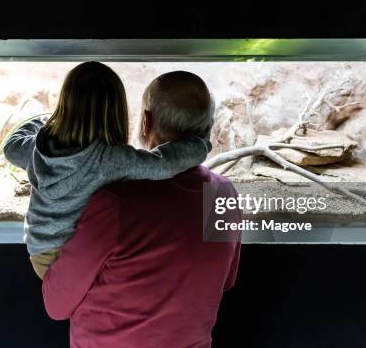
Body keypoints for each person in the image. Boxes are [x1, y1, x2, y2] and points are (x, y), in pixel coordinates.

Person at [43, 71, 241, 348]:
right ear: (209, 127)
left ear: (145, 122)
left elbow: (56, 304)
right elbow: (225, 281)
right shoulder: (222, 194)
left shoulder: (114, 203)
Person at [3, 62, 211, 279]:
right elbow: (163, 164)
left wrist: (44, 120)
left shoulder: (37, 149)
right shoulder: (108, 159)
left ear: (64, 106)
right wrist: (201, 144)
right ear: (116, 113)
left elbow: (11, 146)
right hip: (75, 256)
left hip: (39, 252)